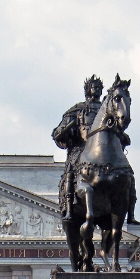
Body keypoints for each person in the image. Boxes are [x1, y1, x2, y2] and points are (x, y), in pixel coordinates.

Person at [52, 76, 103, 221]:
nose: (98, 89)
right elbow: (58, 132)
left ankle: (129, 210)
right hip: (81, 149)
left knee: (127, 173)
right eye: (94, 86)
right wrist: (64, 131)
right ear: (88, 90)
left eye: (100, 87)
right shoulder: (77, 110)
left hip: (103, 150)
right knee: (71, 170)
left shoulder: (107, 110)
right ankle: (69, 207)